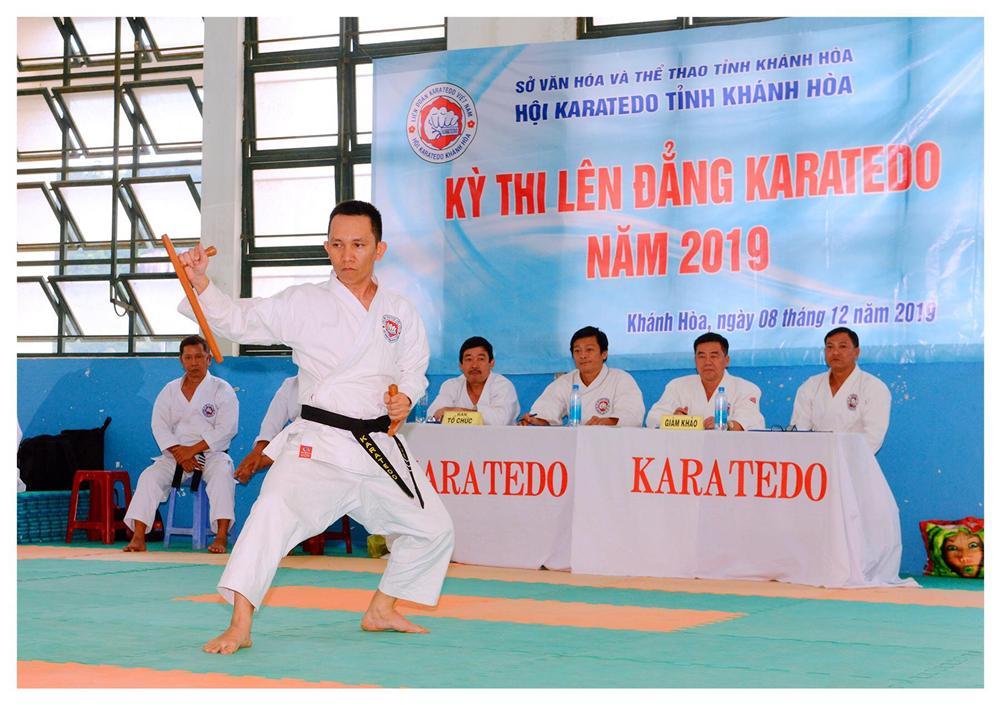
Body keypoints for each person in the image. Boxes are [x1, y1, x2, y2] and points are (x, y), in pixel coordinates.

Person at [177, 199, 454, 654]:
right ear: (327, 248)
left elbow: (413, 368)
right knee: (270, 515)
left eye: (359, 245)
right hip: (319, 445)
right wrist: (201, 284)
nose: (347, 255)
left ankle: (382, 608)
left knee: (434, 528)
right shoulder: (304, 302)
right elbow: (240, 321)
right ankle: (240, 624)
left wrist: (406, 397)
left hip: (377, 445)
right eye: (338, 245)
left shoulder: (399, 311)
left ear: (379, 249)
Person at [123, 335, 238, 554]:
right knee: (149, 477)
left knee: (223, 474)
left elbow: (227, 429)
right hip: (175, 454)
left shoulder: (222, 389)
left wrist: (191, 451)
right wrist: (180, 454)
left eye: (199, 357)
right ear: (181, 360)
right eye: (188, 358)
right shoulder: (170, 390)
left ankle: (221, 536)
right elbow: (159, 425)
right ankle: (138, 537)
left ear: (208, 359)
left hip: (211, 453)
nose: (194, 363)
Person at [790, 327, 891, 453]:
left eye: (842, 346)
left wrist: (840, 458)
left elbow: (873, 437)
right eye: (830, 347)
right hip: (816, 460)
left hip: (855, 460)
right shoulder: (810, 386)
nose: (835, 352)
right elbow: (799, 432)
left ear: (856, 352)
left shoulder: (874, 387)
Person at [518, 325, 644, 426]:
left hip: (611, 444)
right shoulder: (566, 382)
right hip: (574, 444)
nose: (582, 355)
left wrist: (606, 422)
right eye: (577, 351)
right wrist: (535, 420)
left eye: (589, 350)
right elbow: (546, 409)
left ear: (604, 354)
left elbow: (632, 416)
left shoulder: (621, 379)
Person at [645, 332, 764, 430]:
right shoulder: (677, 386)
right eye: (701, 356)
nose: (707, 362)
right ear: (695, 360)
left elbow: (749, 420)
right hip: (686, 450)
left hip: (729, 450)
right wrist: (673, 420)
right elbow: (652, 419)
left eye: (714, 356)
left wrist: (727, 425)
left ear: (726, 360)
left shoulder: (746, 388)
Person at [427, 336, 520, 425]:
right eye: (469, 359)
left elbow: (500, 420)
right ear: (461, 365)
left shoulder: (503, 385)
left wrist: (460, 412)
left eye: (480, 359)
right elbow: (433, 415)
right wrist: (466, 414)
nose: (474, 365)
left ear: (491, 363)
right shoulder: (451, 385)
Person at [234, 376, 299, 485]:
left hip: (323, 459)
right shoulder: (292, 384)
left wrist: (264, 461)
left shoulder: (330, 386)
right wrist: (258, 451)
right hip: (291, 452)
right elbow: (273, 421)